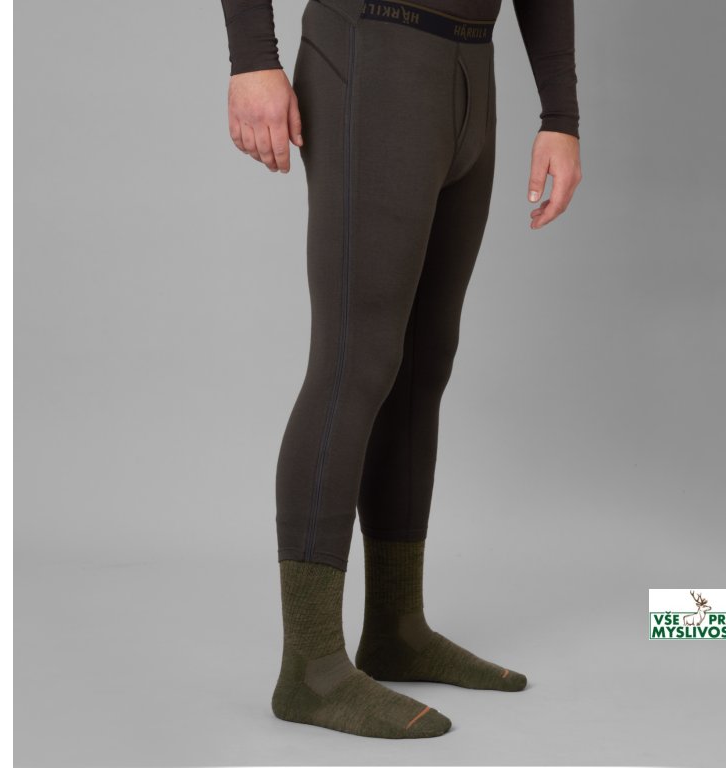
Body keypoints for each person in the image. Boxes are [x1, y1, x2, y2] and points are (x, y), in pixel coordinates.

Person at [219, 0, 581, 738]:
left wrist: (561, 115)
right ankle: (310, 669)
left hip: (469, 67)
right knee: (356, 360)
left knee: (423, 362)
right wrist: (252, 58)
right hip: (372, 50)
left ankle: (395, 628)